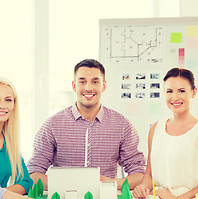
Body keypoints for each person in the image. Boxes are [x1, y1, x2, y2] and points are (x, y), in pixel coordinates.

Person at [27, 59, 146, 190]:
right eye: (82, 82)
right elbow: (33, 174)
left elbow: (139, 174)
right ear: (74, 86)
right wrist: (67, 185)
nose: (88, 88)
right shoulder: (53, 125)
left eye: (95, 82)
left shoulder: (122, 125)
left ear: (104, 86)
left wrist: (111, 184)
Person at [133, 68, 198, 199]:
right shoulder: (156, 128)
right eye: (169, 91)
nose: (175, 97)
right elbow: (149, 175)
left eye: (181, 91)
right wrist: (142, 187)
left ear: (193, 92)